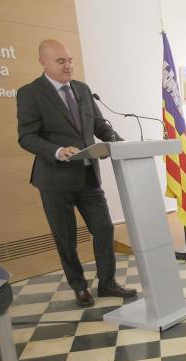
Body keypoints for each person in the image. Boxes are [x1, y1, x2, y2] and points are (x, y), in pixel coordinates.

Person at [16, 39, 136, 308]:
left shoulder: (82, 89)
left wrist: (121, 144)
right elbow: (26, 136)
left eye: (70, 60)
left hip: (88, 177)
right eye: (61, 61)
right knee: (66, 237)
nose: (68, 65)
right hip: (54, 180)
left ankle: (107, 283)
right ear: (43, 62)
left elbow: (100, 126)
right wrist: (57, 150)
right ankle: (79, 286)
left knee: (104, 228)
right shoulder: (30, 93)